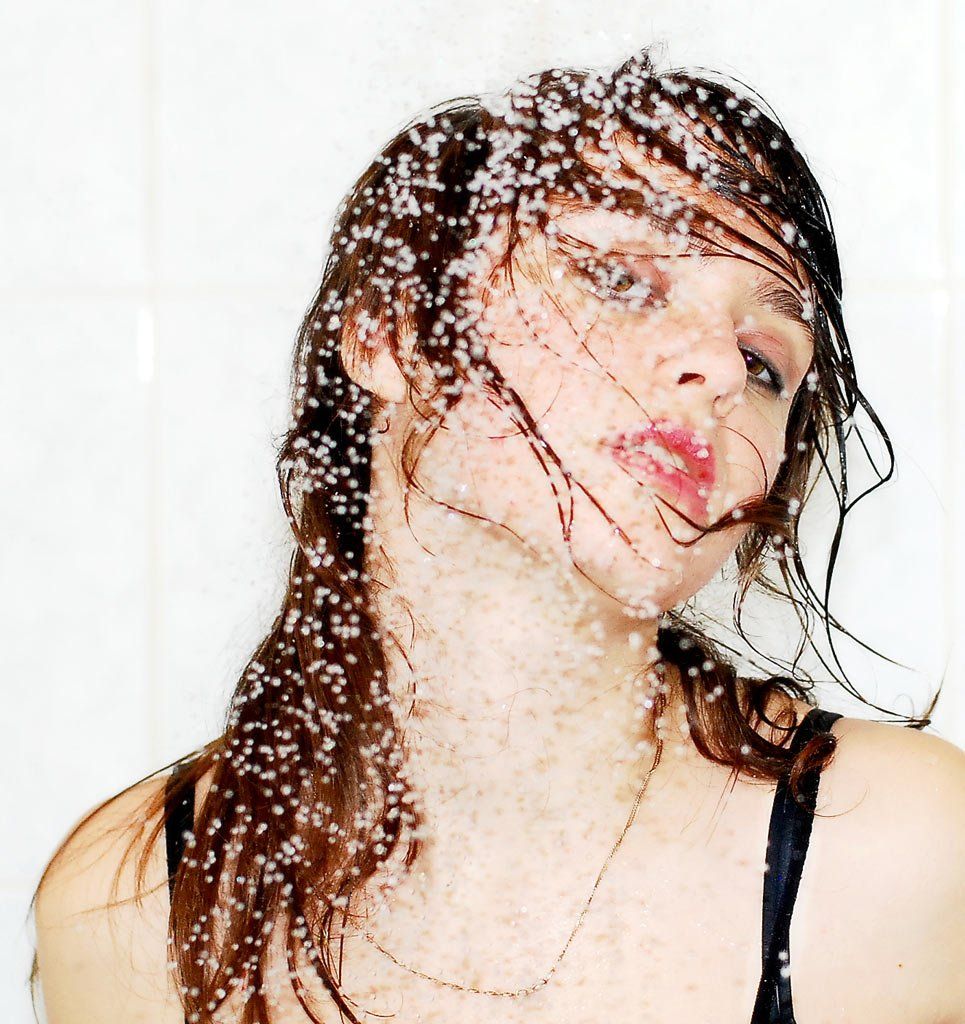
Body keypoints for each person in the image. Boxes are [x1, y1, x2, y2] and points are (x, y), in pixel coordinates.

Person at [29, 46, 964, 1024]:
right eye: (619, 279)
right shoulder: (137, 907)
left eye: (763, 360)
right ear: (391, 333)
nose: (718, 370)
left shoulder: (896, 857)